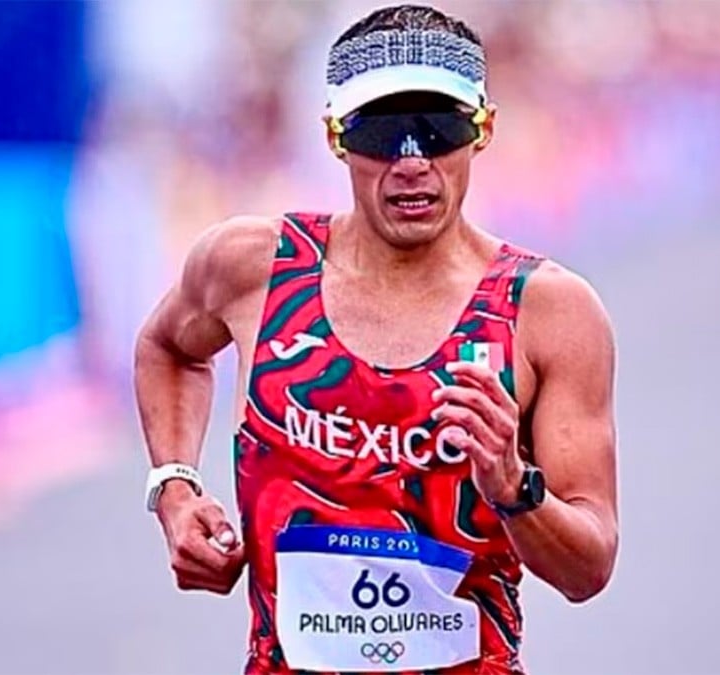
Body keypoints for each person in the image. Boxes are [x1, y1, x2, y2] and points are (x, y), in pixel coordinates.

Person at [135, 5, 620, 673]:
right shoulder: (252, 268)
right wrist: (175, 486)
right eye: (384, 131)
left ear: (483, 130)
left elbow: (588, 565)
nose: (412, 161)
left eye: (437, 127)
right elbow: (168, 347)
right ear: (335, 135)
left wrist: (513, 486)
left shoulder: (546, 312)